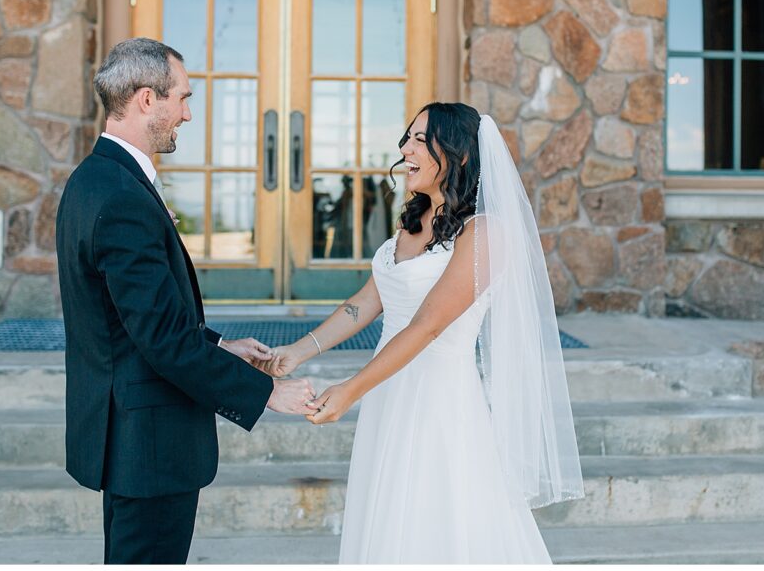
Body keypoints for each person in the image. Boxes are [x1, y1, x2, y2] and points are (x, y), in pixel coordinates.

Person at [258, 102, 585, 563]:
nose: (404, 148)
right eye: (406, 137)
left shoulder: (485, 232)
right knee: (388, 515)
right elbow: (367, 301)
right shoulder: (410, 223)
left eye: (419, 139)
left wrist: (351, 389)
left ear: (460, 154)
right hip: (387, 393)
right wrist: (297, 351)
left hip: (437, 400)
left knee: (436, 520)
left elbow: (428, 325)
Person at [56, 37, 316, 565]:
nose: (188, 115)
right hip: (146, 443)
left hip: (130, 437)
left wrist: (221, 345)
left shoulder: (95, 180)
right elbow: (163, 342)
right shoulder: (123, 198)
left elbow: (131, 320)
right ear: (147, 99)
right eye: (183, 98)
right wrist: (267, 392)